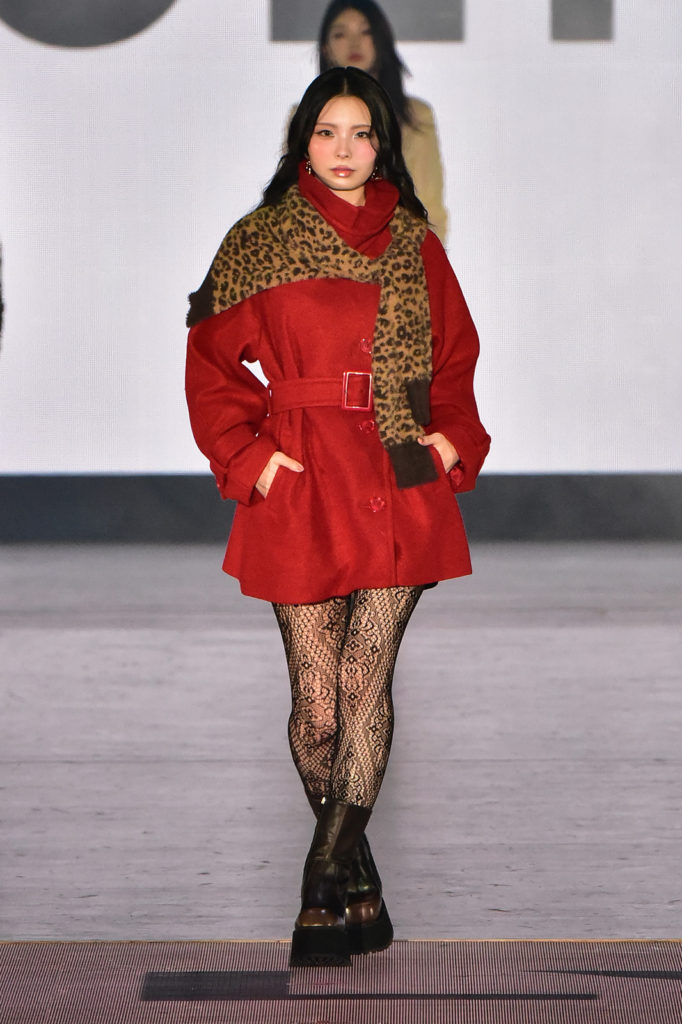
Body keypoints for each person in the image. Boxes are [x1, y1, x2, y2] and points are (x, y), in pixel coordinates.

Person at [185, 66, 490, 967]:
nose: (345, 150)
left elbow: (455, 358)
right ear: (303, 142)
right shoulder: (258, 241)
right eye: (327, 132)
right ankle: (363, 885)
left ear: (382, 144)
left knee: (364, 683)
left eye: (361, 133)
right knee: (315, 709)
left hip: (396, 473)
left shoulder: (414, 244)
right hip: (304, 478)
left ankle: (318, 886)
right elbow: (211, 365)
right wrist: (250, 458)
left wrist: (450, 437)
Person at [318, 0, 449, 243]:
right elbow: (293, 196)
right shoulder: (306, 117)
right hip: (322, 252)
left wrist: (424, 258)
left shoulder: (415, 116)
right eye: (340, 34)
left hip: (399, 252)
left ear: (382, 40)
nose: (354, 42)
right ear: (325, 48)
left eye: (366, 31)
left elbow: (430, 206)